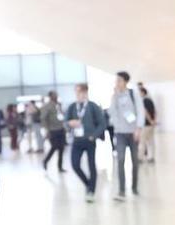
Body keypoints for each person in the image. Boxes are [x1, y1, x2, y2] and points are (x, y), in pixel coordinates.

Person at [66, 83, 106, 203]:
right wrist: (69, 124)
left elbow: (102, 124)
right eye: (76, 92)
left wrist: (93, 136)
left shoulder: (93, 106)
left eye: (80, 92)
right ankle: (88, 184)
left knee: (91, 166)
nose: (78, 94)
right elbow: (65, 122)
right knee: (75, 165)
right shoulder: (72, 107)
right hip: (77, 141)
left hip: (89, 141)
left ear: (85, 92)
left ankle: (91, 191)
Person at [108, 71, 145, 201]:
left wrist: (138, 129)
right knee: (120, 160)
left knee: (135, 161)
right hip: (120, 134)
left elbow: (140, 111)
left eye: (119, 80)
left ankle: (134, 187)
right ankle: (121, 190)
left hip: (133, 133)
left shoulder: (133, 94)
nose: (117, 83)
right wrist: (114, 97)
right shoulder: (115, 96)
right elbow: (111, 112)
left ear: (125, 81)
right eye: (116, 80)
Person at [42, 91, 67, 173]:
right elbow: (43, 118)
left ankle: (60, 167)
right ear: (50, 96)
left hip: (61, 129)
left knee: (61, 148)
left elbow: (62, 115)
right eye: (54, 95)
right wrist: (47, 130)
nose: (56, 96)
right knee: (54, 147)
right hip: (52, 130)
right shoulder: (47, 106)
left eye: (56, 94)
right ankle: (45, 161)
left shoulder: (59, 105)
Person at [139, 86, 157, 164]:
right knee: (151, 141)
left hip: (146, 124)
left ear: (143, 92)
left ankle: (140, 158)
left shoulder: (143, 101)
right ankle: (151, 157)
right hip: (151, 124)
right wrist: (154, 121)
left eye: (139, 92)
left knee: (142, 142)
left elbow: (145, 112)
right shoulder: (150, 100)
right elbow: (155, 111)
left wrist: (150, 120)